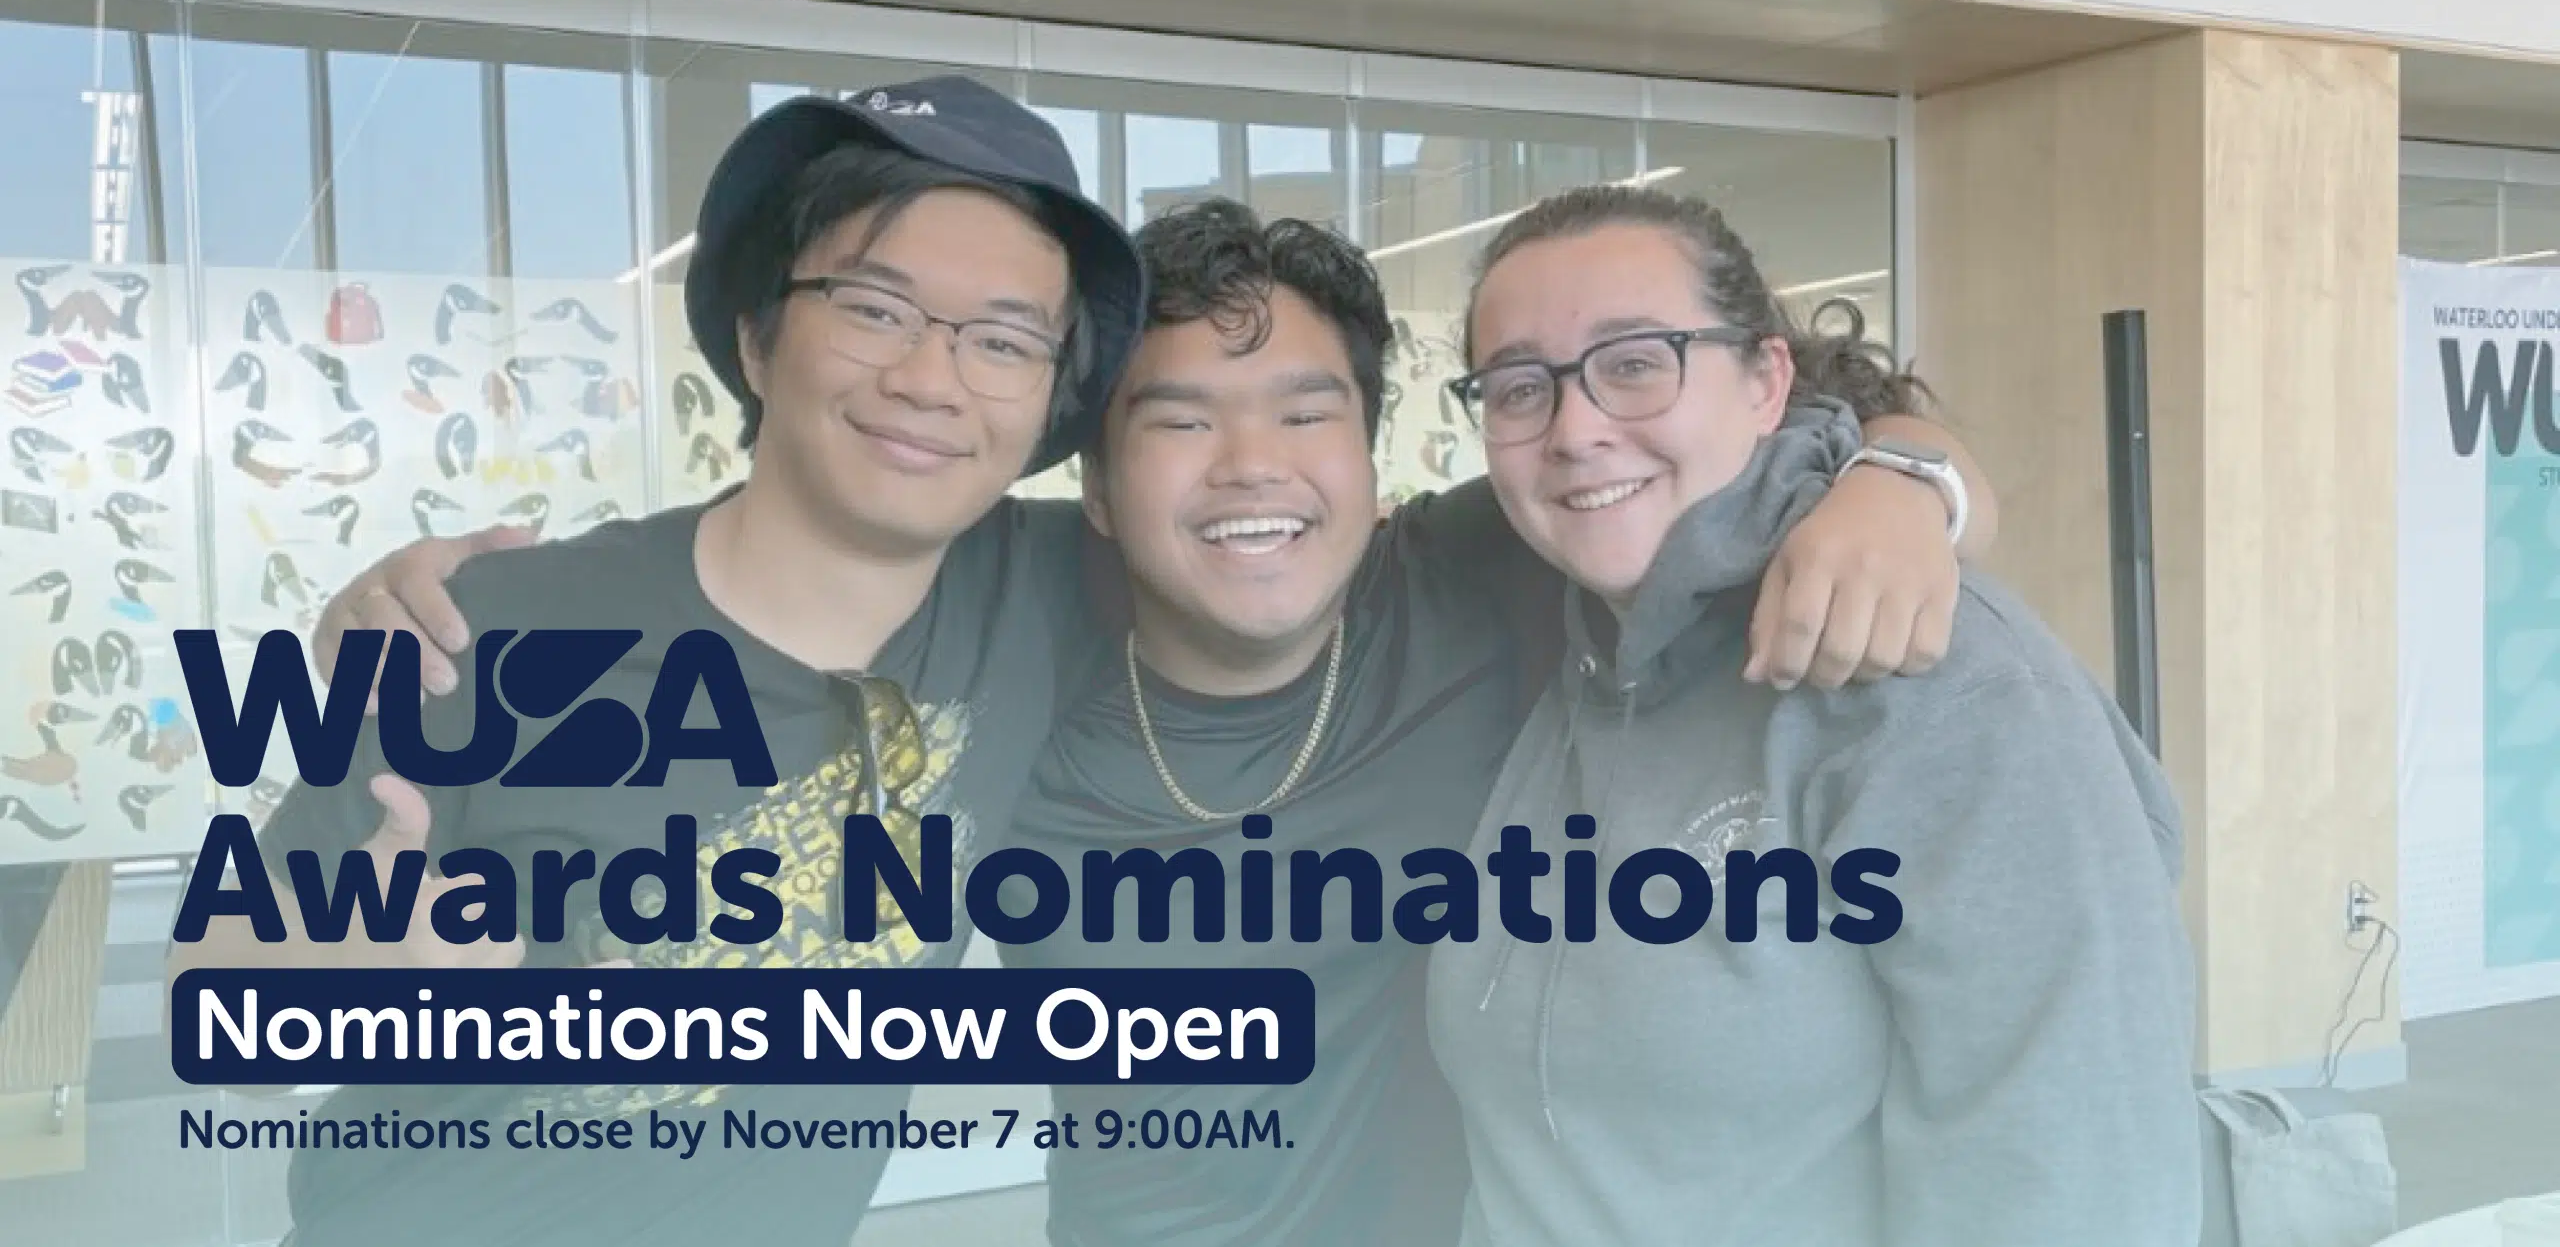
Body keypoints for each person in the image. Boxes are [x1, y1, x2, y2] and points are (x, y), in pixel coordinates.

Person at [309, 194, 2005, 1244]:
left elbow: (1752, 416)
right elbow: (800, 530)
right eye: (1176, 420)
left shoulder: (1473, 573)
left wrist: (1905, 479)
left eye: (1305, 412)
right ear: (1098, 487)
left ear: (1373, 451)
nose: (1250, 469)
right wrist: (436, 598)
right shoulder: (1004, 614)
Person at [164, 74, 1145, 1247]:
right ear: (756, 337)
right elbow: (205, 995)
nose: (930, 381)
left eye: (1000, 340)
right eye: (874, 309)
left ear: (1047, 403)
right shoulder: (491, 631)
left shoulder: (1046, 594)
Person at [1425, 184, 2201, 1247]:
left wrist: (1905, 476)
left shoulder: (1940, 678)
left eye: (1637, 363)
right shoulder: (1561, 637)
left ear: (1764, 378)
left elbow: (2070, 1181)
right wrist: (1910, 465)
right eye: (1520, 387)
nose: (1576, 429)